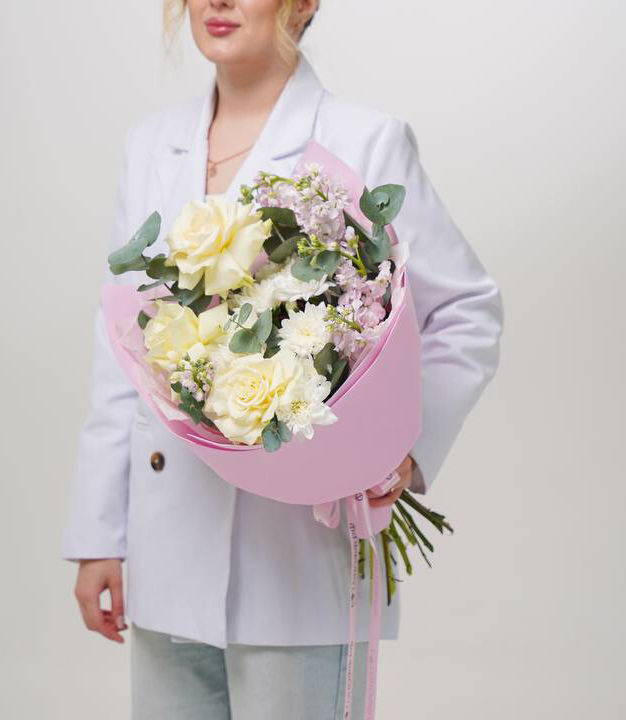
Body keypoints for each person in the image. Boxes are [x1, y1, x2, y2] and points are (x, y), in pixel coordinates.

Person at [61, 1, 505, 718]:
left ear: (304, 3)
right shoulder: (149, 146)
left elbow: (466, 310)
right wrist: (99, 533)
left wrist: (400, 451)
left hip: (300, 552)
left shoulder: (365, 140)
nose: (217, 1)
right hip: (165, 546)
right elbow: (124, 355)